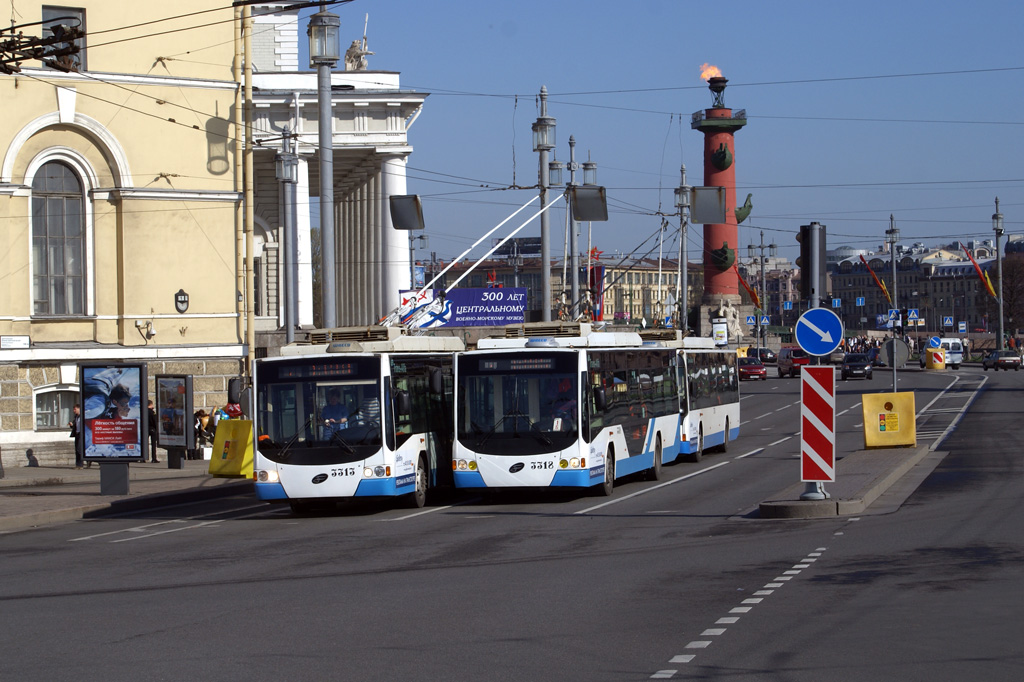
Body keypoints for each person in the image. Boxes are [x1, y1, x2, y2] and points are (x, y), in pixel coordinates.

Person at [69, 404, 85, 468]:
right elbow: (75, 426)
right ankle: (78, 464)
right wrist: (71, 425)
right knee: (77, 449)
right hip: (77, 433)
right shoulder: (76, 417)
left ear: (79, 409)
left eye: (75, 409)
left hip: (82, 434)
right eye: (73, 409)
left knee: (79, 449)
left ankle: (80, 464)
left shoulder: (83, 416)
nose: (74, 410)